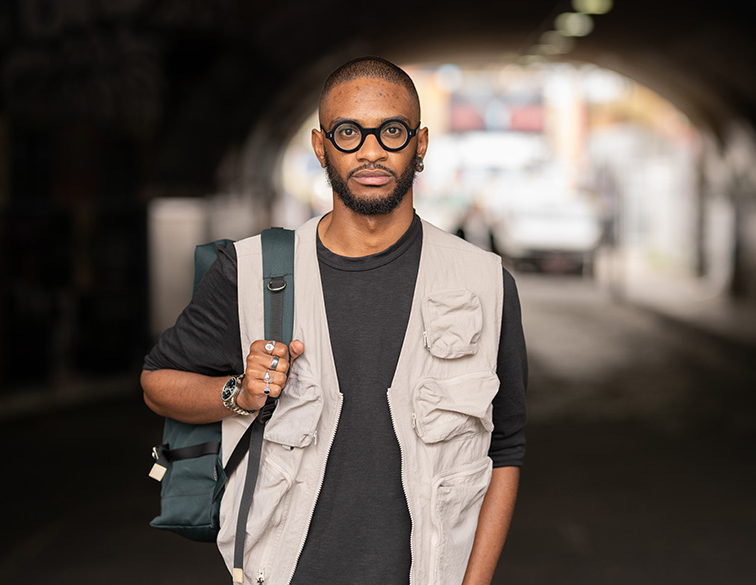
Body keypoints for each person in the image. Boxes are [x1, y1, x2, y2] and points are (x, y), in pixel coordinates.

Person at [141, 56, 527, 585]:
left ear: (421, 143)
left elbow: (505, 447)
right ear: (321, 146)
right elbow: (158, 384)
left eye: (392, 131)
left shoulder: (485, 283)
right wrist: (240, 393)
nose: (372, 151)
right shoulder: (249, 271)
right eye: (349, 132)